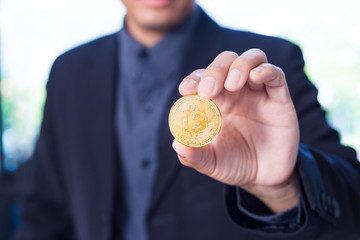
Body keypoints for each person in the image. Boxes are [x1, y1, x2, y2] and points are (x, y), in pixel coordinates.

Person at [13, 0, 360, 239]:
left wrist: (282, 187)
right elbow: (45, 209)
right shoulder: (69, 72)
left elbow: (351, 204)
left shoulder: (269, 66)